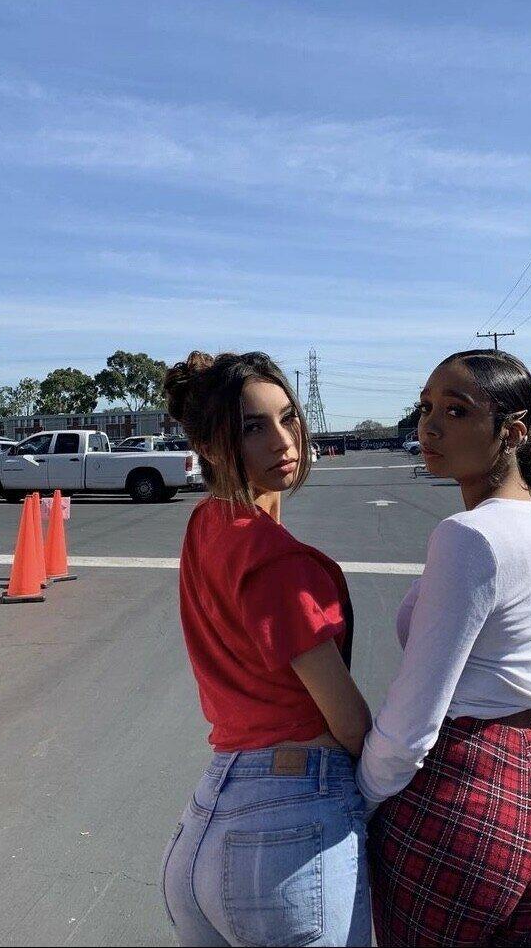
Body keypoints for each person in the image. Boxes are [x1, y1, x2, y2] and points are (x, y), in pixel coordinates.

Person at [357, 349, 531, 946]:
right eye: (426, 408)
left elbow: (414, 716)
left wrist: (358, 799)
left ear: (511, 432)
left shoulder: (470, 535)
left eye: (456, 411)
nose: (430, 427)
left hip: (464, 808)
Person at [161, 350, 372, 947]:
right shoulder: (277, 561)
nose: (283, 441)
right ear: (209, 446)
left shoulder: (207, 523)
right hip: (289, 830)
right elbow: (348, 721)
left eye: (287, 418)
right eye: (253, 427)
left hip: (209, 816)